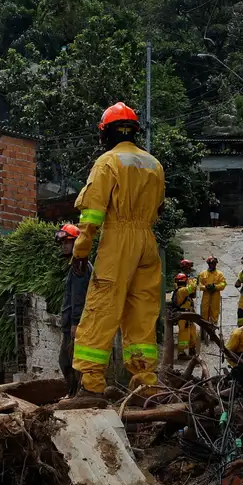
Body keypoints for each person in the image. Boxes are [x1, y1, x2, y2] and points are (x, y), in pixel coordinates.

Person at [70, 102, 166, 393]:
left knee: (102, 308)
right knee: (142, 315)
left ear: (106, 133)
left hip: (118, 240)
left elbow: (92, 214)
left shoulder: (107, 162)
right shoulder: (154, 165)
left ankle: (90, 384)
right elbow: (158, 209)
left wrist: (80, 251)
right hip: (147, 243)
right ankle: (145, 387)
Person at [55, 222, 90, 392]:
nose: (64, 246)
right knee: (70, 360)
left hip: (75, 324)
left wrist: (75, 322)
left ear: (76, 242)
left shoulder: (79, 266)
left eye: (67, 242)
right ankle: (74, 393)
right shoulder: (77, 264)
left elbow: (78, 297)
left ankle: (74, 394)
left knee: (68, 361)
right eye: (62, 243)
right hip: (72, 323)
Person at [195, 255, 228, 347]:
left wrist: (215, 287)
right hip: (206, 295)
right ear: (208, 264)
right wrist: (205, 287)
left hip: (215, 295)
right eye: (211, 263)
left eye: (214, 263)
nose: (212, 265)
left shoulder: (219, 274)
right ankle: (203, 333)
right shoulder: (203, 274)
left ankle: (212, 334)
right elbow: (197, 284)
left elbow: (223, 283)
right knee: (204, 313)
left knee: (214, 313)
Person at [172, 272, 199, 351]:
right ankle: (181, 352)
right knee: (184, 334)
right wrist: (194, 280)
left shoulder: (179, 290)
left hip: (187, 315)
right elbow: (192, 288)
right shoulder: (182, 290)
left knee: (192, 332)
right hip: (183, 316)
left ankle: (192, 349)